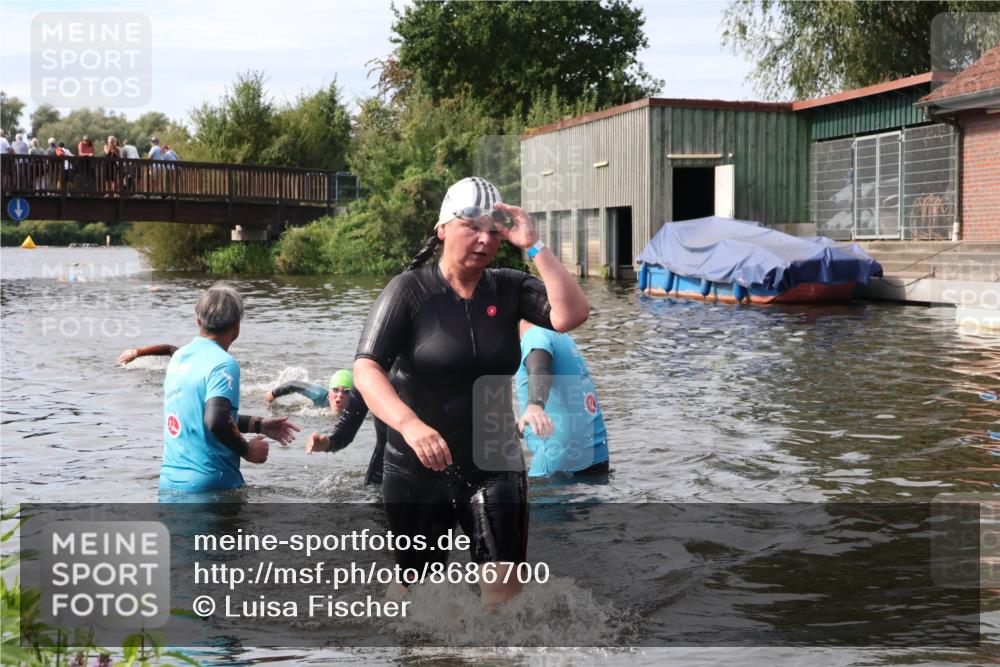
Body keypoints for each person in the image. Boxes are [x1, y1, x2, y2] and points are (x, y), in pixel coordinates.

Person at [353, 176, 589, 607]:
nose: (484, 239)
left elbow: (572, 315)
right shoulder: (409, 292)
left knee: (504, 592)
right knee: (416, 591)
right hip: (417, 463)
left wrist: (534, 246)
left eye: (493, 232)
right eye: (471, 227)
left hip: (495, 451)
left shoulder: (510, 287)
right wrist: (410, 425)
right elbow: (366, 369)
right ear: (443, 228)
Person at [159, 284, 300, 493]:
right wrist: (248, 450)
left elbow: (200, 415)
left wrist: (258, 424)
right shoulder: (224, 363)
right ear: (237, 326)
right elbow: (215, 420)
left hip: (170, 483)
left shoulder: (179, 357)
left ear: (198, 321)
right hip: (213, 486)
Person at [515, 322, 609, 477]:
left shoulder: (534, 337)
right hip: (595, 455)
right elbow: (565, 410)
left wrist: (535, 406)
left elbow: (540, 369)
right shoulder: (558, 335)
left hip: (559, 461)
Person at [265, 369, 353, 412]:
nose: (340, 394)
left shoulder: (356, 404)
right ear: (329, 393)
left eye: (346, 391)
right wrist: (272, 394)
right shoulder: (319, 396)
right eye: (336, 390)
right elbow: (293, 384)